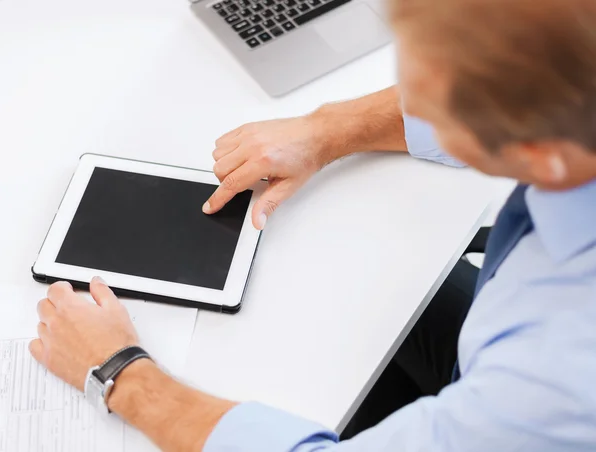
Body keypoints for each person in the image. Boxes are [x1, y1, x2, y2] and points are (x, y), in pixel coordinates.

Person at [29, 0, 596, 451]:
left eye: (436, 84)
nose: (410, 93)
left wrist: (121, 375)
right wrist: (329, 130)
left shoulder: (553, 380)